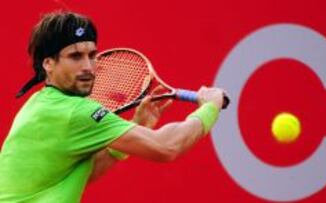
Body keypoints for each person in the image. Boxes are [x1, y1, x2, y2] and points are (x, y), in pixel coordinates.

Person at [0, 11, 225, 203]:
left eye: (92, 55)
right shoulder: (76, 112)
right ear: (48, 63)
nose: (88, 66)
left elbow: (80, 173)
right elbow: (166, 147)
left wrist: (133, 129)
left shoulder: (39, 103)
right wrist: (209, 108)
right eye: (75, 56)